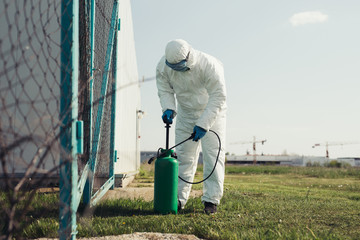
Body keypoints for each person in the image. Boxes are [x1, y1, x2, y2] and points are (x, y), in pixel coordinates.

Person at [156, 39, 227, 214]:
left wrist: (204, 124)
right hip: (185, 113)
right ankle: (178, 200)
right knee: (183, 156)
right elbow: (165, 89)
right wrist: (168, 108)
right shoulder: (163, 66)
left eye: (179, 66)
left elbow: (219, 96)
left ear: (188, 58)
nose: (176, 70)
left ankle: (211, 200)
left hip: (212, 113)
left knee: (213, 156)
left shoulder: (209, 65)